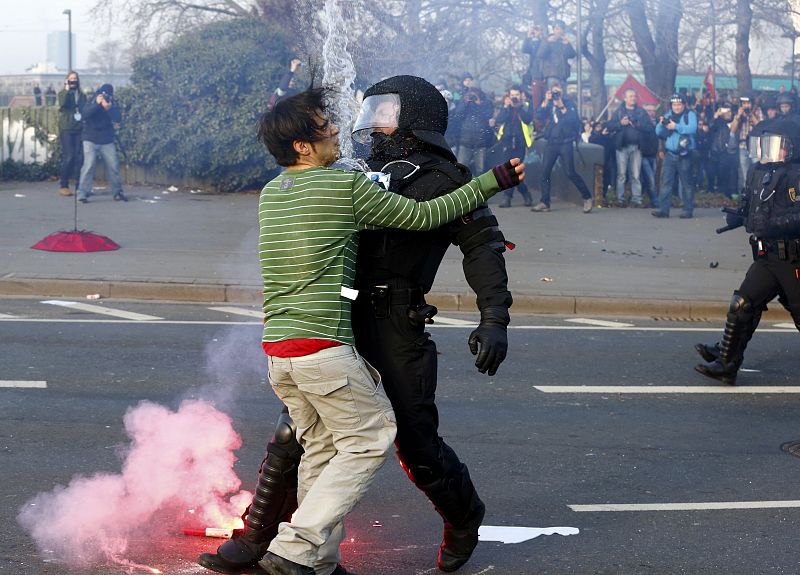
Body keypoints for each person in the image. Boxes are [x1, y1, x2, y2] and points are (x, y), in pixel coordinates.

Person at [198, 82, 525, 575]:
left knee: (414, 444)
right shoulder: (348, 173)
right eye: (370, 109)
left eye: (385, 111)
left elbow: (481, 245)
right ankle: (263, 538)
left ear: (416, 117)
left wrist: (494, 316)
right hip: (340, 318)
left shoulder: (445, 178)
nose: (369, 121)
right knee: (300, 435)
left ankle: (463, 518)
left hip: (396, 322)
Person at [694, 118, 800, 385]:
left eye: (778, 146)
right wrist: (739, 215)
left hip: (791, 258)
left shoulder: (795, 176)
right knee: (743, 304)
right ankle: (727, 362)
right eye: (766, 145)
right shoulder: (758, 171)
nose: (771, 151)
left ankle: (726, 355)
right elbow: (749, 202)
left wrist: (770, 225)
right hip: (767, 257)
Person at [532, 82, 593, 213]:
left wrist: (562, 106)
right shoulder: (548, 104)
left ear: (562, 92)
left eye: (557, 93)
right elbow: (538, 117)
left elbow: (574, 120)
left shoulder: (569, 103)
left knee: (570, 172)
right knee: (545, 172)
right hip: (551, 143)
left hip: (566, 143)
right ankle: (544, 202)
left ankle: (587, 197)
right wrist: (545, 101)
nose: (555, 95)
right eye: (553, 92)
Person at [76, 83, 127, 203]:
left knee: (114, 165)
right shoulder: (92, 100)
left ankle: (118, 192)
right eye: (103, 94)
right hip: (90, 138)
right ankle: (83, 193)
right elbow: (85, 115)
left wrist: (108, 109)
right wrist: (97, 105)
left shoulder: (112, 103)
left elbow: (117, 118)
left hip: (106, 139)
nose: (105, 96)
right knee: (88, 165)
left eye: (108, 95)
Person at [651, 93, 697, 219]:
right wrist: (661, 124)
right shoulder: (668, 115)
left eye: (678, 104)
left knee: (686, 183)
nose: (676, 107)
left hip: (685, 153)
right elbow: (658, 132)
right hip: (670, 153)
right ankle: (663, 210)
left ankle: (688, 210)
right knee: (665, 183)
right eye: (674, 104)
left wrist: (675, 126)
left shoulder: (690, 114)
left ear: (683, 105)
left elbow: (692, 129)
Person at [606, 88, 653, 207]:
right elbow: (610, 126)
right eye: (631, 96)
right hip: (622, 147)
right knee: (621, 174)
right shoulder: (619, 111)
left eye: (634, 96)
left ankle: (636, 199)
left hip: (637, 147)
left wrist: (638, 124)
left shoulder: (641, 112)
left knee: (636, 175)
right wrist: (620, 123)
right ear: (625, 98)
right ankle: (620, 199)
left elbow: (649, 127)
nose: (633, 98)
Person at [495, 84, 534, 207]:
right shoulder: (506, 107)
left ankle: (507, 197)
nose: (514, 98)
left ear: (521, 95)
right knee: (509, 172)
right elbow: (499, 120)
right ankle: (525, 193)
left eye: (516, 95)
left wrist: (519, 106)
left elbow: (528, 119)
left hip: (520, 144)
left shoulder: (526, 106)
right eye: (512, 95)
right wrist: (506, 107)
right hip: (506, 143)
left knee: (514, 171)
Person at [56, 71, 87, 197]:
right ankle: (64, 185)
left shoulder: (82, 95)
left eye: (75, 79)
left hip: (79, 128)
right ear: (67, 80)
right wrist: (66, 89)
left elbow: (85, 109)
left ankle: (80, 186)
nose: (73, 81)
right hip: (67, 128)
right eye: (70, 79)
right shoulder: (63, 94)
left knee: (79, 158)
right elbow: (63, 104)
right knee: (69, 157)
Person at [452, 86, 494, 176]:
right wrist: (465, 102)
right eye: (471, 93)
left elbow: (488, 115)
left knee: (480, 171)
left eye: (475, 93)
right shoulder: (465, 102)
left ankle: (479, 189)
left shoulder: (486, 102)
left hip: (480, 143)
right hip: (465, 142)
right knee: (460, 169)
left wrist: (478, 102)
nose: (473, 96)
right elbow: (458, 115)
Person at [729, 94, 762, 191]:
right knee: (745, 174)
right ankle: (746, 197)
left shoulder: (757, 111)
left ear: (751, 103)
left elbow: (761, 126)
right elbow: (732, 130)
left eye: (747, 103)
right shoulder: (739, 112)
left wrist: (751, 115)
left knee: (757, 172)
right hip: (743, 146)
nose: (746, 105)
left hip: (755, 144)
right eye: (744, 103)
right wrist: (738, 116)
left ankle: (757, 195)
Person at [536, 19, 575, 89]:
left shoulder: (564, 41)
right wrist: (547, 43)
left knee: (563, 97)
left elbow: (572, 55)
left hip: (563, 75)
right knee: (553, 95)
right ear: (553, 30)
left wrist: (567, 45)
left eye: (561, 29)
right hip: (551, 74)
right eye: (557, 29)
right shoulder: (546, 40)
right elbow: (540, 54)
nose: (559, 31)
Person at [522, 24, 544, 108]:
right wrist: (528, 35)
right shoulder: (532, 43)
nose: (536, 32)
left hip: (542, 74)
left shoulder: (544, 42)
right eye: (535, 30)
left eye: (538, 30)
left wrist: (538, 37)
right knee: (533, 99)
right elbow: (524, 49)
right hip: (533, 74)